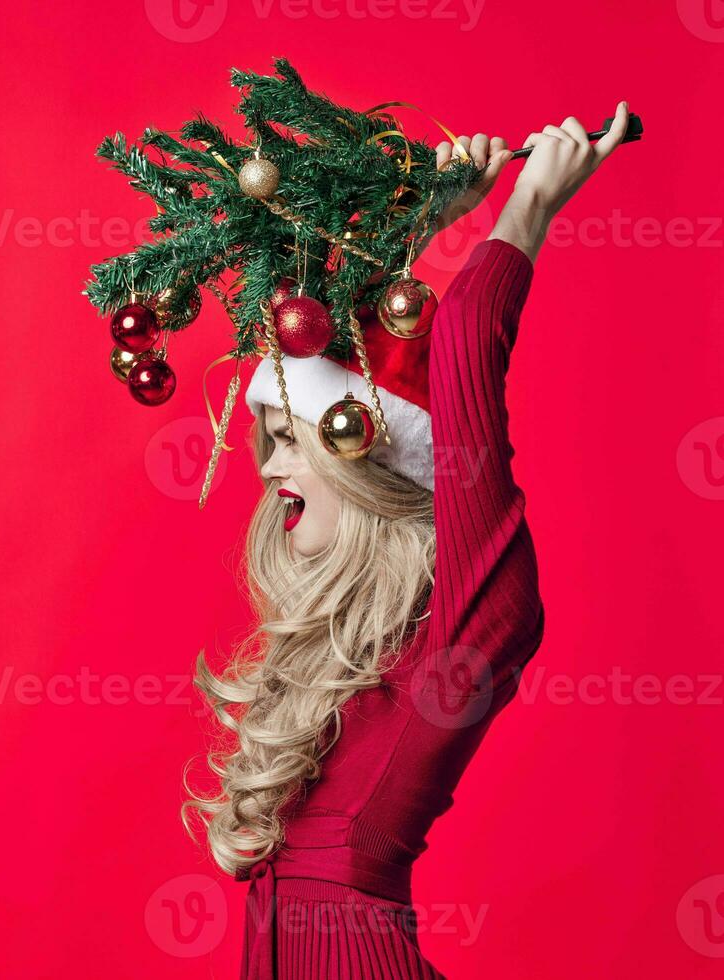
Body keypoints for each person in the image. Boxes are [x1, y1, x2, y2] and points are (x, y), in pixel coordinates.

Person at [187, 105, 632, 978]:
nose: (269, 470)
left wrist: (529, 206)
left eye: (291, 442)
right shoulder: (347, 646)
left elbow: (466, 337)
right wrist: (431, 214)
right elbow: (368, 338)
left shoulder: (473, 622)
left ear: (360, 459)